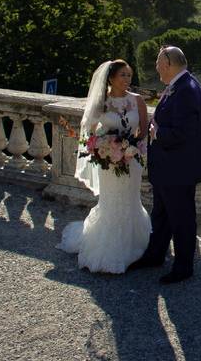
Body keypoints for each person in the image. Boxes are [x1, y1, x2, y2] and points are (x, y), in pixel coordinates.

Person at [57, 59, 151, 273]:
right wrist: (102, 149)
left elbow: (143, 131)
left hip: (132, 160)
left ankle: (134, 246)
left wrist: (131, 148)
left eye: (129, 75)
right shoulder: (102, 103)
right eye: (123, 75)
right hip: (109, 164)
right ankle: (109, 250)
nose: (127, 79)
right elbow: (89, 134)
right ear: (111, 78)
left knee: (131, 201)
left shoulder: (138, 101)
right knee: (111, 203)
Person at [128, 46, 201, 284]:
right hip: (171, 168)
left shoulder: (186, 90)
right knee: (162, 214)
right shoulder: (182, 84)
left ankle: (183, 267)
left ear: (168, 63)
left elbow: (183, 132)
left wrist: (158, 133)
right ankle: (155, 255)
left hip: (178, 169)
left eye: (157, 63)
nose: (155, 67)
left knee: (181, 218)